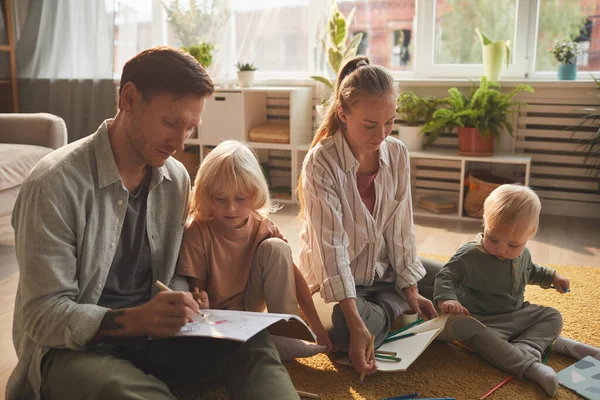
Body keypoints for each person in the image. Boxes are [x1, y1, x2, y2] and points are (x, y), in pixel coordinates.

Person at [7, 46, 299, 400]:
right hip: (72, 350)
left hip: (155, 340)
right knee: (120, 387)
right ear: (129, 98)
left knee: (253, 344)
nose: (179, 143)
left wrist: (182, 298)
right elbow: (42, 316)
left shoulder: (175, 179)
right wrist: (136, 320)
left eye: (190, 128)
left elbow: (169, 269)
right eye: (170, 122)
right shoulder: (54, 184)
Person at [297, 56, 441, 377]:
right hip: (340, 285)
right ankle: (393, 310)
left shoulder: (398, 153)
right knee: (346, 332)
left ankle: (393, 306)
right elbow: (331, 251)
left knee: (451, 276)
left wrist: (411, 289)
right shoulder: (321, 163)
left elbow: (402, 229)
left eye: (389, 122)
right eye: (370, 125)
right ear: (343, 114)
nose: (381, 134)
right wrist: (356, 321)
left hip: (384, 272)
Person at [177, 140, 333, 351]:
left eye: (240, 198)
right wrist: (200, 301)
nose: (231, 208)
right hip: (217, 315)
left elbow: (295, 279)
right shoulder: (198, 229)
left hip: (250, 309)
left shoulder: (262, 227)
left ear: (255, 193)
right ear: (207, 195)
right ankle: (267, 345)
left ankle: (286, 334)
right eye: (220, 199)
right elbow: (197, 290)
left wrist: (315, 324)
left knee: (277, 247)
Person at [433, 184, 568, 397]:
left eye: (513, 244)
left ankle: (527, 347)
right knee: (478, 336)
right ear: (485, 222)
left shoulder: (523, 254)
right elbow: (445, 276)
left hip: (516, 313)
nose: (501, 249)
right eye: (493, 239)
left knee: (553, 316)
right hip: (482, 321)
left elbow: (531, 271)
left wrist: (552, 276)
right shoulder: (470, 255)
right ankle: (529, 366)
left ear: (530, 235)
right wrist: (448, 300)